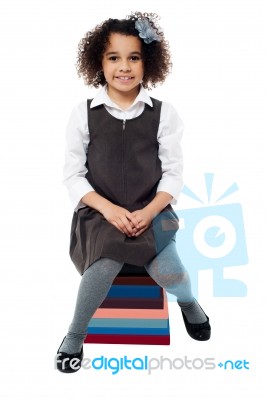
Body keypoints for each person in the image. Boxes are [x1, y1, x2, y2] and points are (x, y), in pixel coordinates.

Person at [56, 11, 211, 373]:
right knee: (105, 261)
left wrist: (151, 211)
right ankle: (74, 335)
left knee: (171, 271)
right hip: (99, 213)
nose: (124, 67)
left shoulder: (164, 113)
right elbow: (73, 176)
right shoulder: (83, 113)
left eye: (134, 57)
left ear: (148, 63)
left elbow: (173, 175)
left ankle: (190, 304)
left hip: (151, 209)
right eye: (114, 57)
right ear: (99, 62)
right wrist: (108, 210)